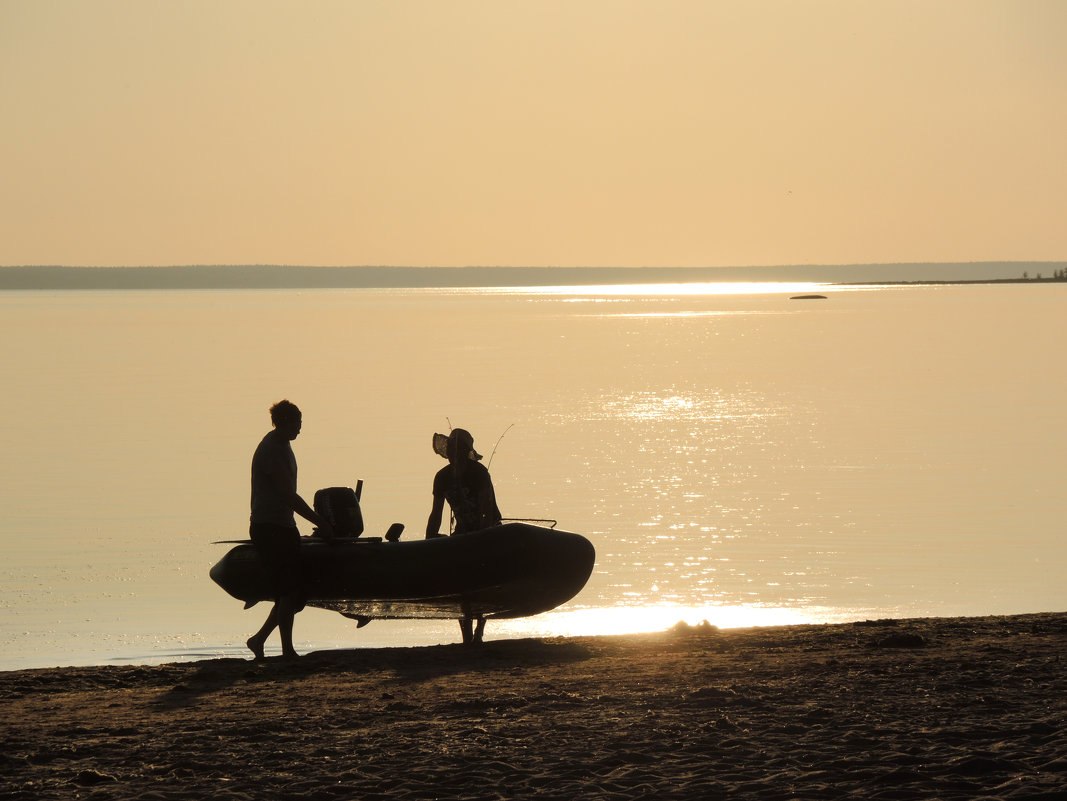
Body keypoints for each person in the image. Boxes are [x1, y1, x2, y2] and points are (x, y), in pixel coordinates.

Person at [246, 400, 334, 660]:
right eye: (297, 424)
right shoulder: (272, 449)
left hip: (282, 525)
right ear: (284, 422)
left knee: (291, 593)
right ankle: (286, 650)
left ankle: (259, 640)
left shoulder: (283, 446)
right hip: (270, 527)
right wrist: (320, 521)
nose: (300, 430)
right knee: (289, 592)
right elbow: (288, 495)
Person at [425, 428, 502, 645]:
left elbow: (486, 508)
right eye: (450, 449)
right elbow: (436, 513)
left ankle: (479, 631)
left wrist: (481, 534)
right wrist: (429, 540)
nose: (452, 453)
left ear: (465, 450)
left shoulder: (479, 473)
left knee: (483, 581)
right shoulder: (442, 478)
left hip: (486, 528)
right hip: (462, 531)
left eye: (457, 449)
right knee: (460, 585)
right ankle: (467, 636)